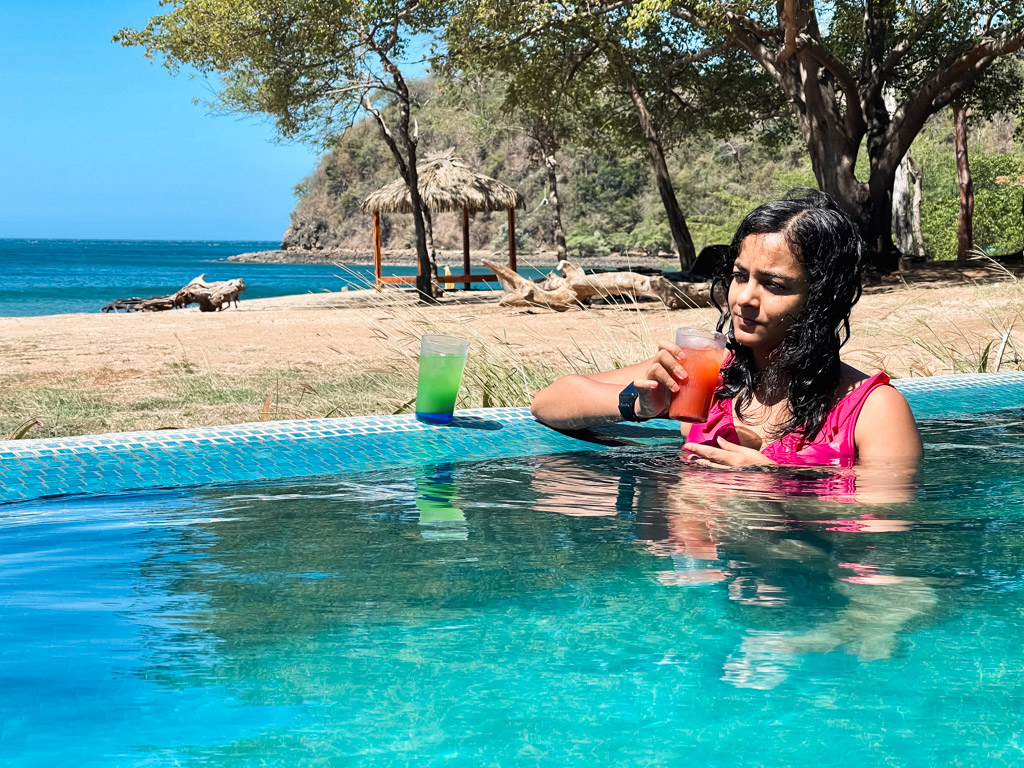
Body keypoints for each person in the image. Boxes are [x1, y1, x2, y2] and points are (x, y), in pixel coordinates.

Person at [530, 190, 922, 469]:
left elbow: (886, 532)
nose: (744, 298)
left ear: (822, 298)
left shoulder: (872, 410)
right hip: (709, 578)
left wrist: (776, 483)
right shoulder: (707, 374)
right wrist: (638, 405)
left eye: (773, 285)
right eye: (739, 276)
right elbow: (548, 402)